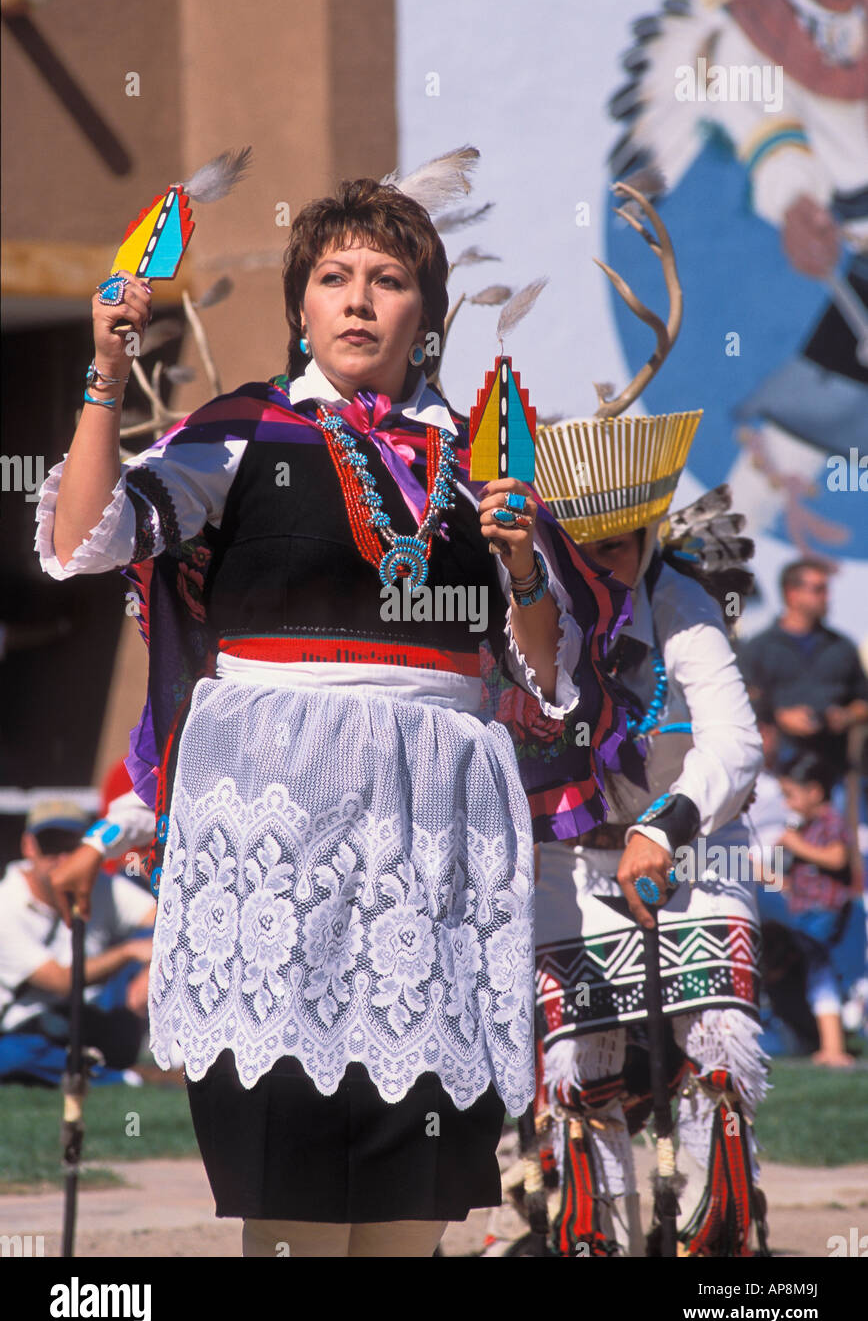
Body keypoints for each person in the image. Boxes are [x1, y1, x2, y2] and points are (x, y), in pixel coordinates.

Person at [36, 172, 629, 1258]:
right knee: (292, 1192)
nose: (358, 300)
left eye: (389, 279)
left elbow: (549, 685)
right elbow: (84, 538)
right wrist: (106, 370)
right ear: (301, 305)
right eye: (333, 277)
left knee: (411, 1203)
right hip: (279, 840)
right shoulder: (243, 431)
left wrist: (521, 572)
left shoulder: (486, 458)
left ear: (427, 314)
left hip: (431, 853)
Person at [532, 423, 768, 1254]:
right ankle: (599, 1239)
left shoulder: (684, 599)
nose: (612, 565)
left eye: (625, 546)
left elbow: (735, 743)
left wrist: (663, 830)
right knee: (581, 1073)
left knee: (717, 1058)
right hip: (565, 861)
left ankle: (722, 1255)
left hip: (695, 856)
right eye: (591, 549)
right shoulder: (535, 602)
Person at [0, 799, 155, 1085]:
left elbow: (161, 919)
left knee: (156, 938)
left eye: (71, 846)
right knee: (15, 1054)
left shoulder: (102, 885)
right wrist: (129, 953)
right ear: (28, 846)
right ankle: (116, 1075)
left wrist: (151, 968)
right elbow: (61, 981)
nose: (61, 858)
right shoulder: (5, 904)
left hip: (91, 1014)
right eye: (50, 845)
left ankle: (105, 1067)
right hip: (27, 1027)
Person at [739, 559, 868, 783]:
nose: (826, 597)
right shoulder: (759, 648)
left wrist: (844, 716)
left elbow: (863, 700)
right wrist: (779, 716)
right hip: (775, 772)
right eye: (818, 589)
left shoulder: (842, 647)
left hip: (833, 770)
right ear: (792, 593)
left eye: (826, 589)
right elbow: (741, 701)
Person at [776, 751, 857, 1066]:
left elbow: (838, 859)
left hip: (824, 911)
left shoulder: (830, 822)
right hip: (804, 912)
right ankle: (824, 1042)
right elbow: (790, 882)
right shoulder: (806, 828)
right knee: (813, 974)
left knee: (820, 973)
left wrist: (796, 846)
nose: (786, 804)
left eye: (790, 796)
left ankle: (835, 1048)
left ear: (814, 791)